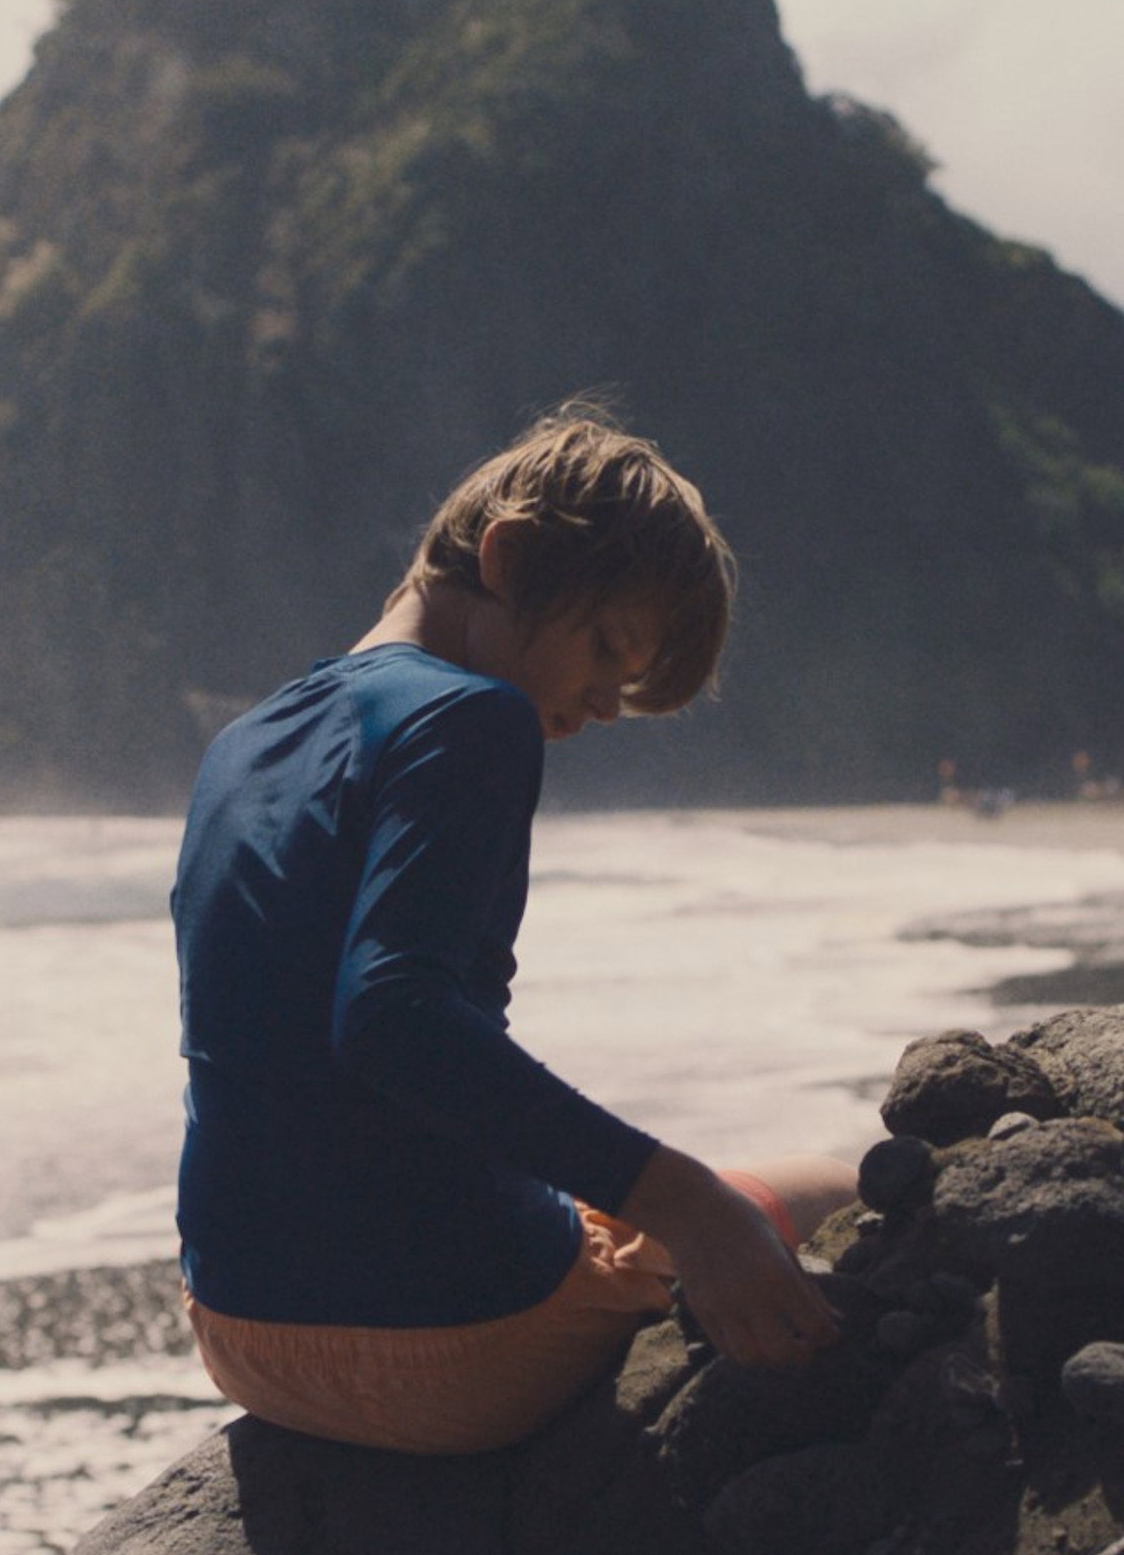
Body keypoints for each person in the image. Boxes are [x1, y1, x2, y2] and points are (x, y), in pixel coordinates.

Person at [173, 407, 856, 1456]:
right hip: (453, 1347)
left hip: (238, 1331)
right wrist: (690, 1205)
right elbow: (394, 1019)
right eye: (606, 649)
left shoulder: (240, 742)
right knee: (833, 1185)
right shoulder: (467, 717)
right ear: (508, 555)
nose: (600, 707)